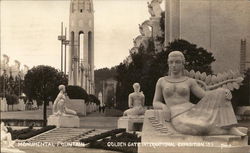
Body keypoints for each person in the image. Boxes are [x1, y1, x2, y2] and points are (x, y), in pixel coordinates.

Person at [152, 51, 246, 136]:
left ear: (183, 64)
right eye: (171, 62)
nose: (174, 65)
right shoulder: (162, 81)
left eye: (177, 62)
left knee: (221, 92)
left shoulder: (189, 81)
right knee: (202, 126)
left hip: (192, 111)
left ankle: (230, 127)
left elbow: (205, 95)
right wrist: (164, 107)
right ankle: (227, 131)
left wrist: (224, 92)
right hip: (175, 114)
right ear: (168, 64)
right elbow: (155, 102)